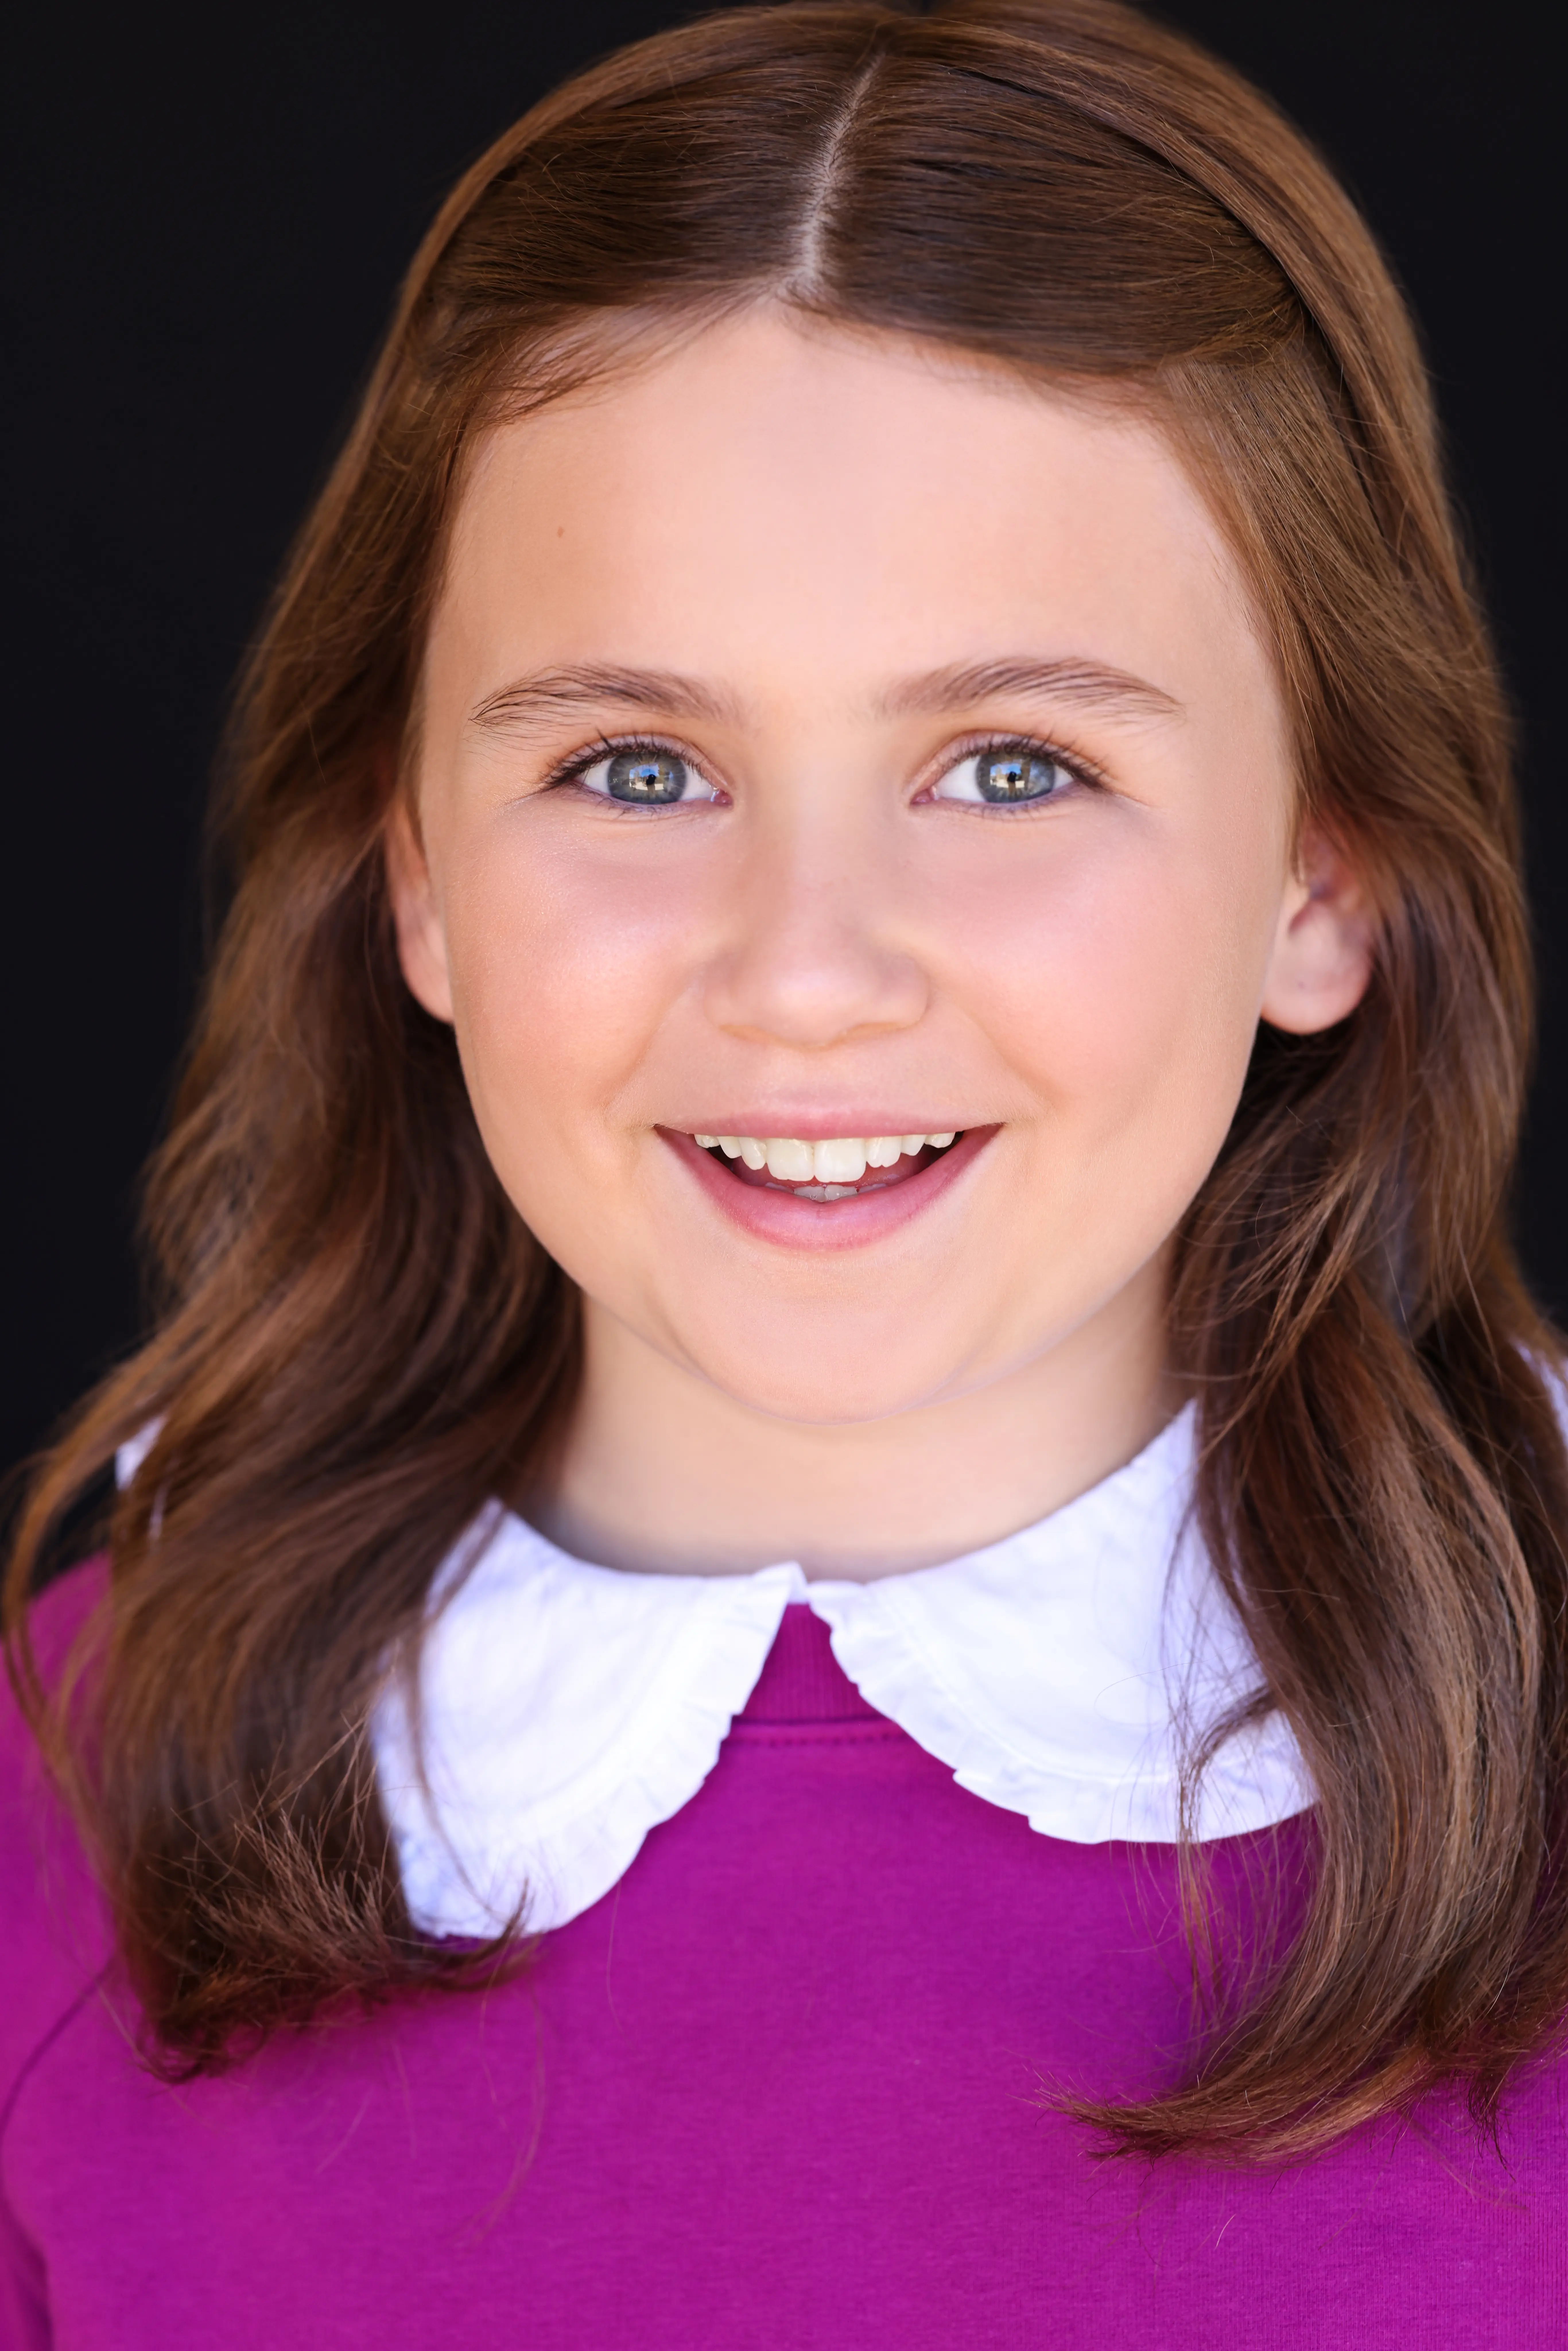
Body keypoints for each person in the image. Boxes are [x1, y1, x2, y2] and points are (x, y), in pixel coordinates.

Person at [4, 1, 1564, 2341]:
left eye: (1010, 766)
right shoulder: (76, 1785)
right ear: (416, 873)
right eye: (634, 769)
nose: (806, 974)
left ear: (1320, 877)